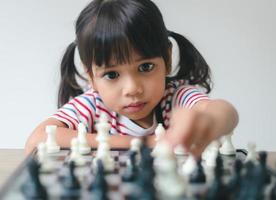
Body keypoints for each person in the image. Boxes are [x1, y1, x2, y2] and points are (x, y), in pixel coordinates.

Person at [25, 0, 238, 156]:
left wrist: (207, 122)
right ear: (91, 76)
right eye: (112, 74)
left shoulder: (175, 98)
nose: (132, 88)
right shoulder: (92, 106)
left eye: (146, 67)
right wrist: (145, 142)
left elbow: (225, 113)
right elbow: (37, 139)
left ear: (168, 58)